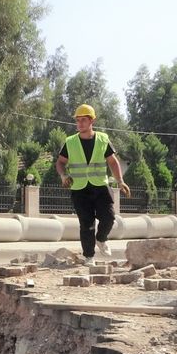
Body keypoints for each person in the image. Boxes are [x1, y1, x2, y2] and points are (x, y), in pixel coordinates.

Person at [54, 104, 131, 266]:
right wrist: (63, 175)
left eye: (83, 120)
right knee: (87, 224)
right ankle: (89, 256)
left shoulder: (103, 139)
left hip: (100, 187)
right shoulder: (70, 142)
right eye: (78, 120)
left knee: (109, 217)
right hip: (80, 189)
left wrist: (120, 181)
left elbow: (112, 161)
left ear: (92, 121)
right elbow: (60, 162)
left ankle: (101, 239)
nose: (80, 123)